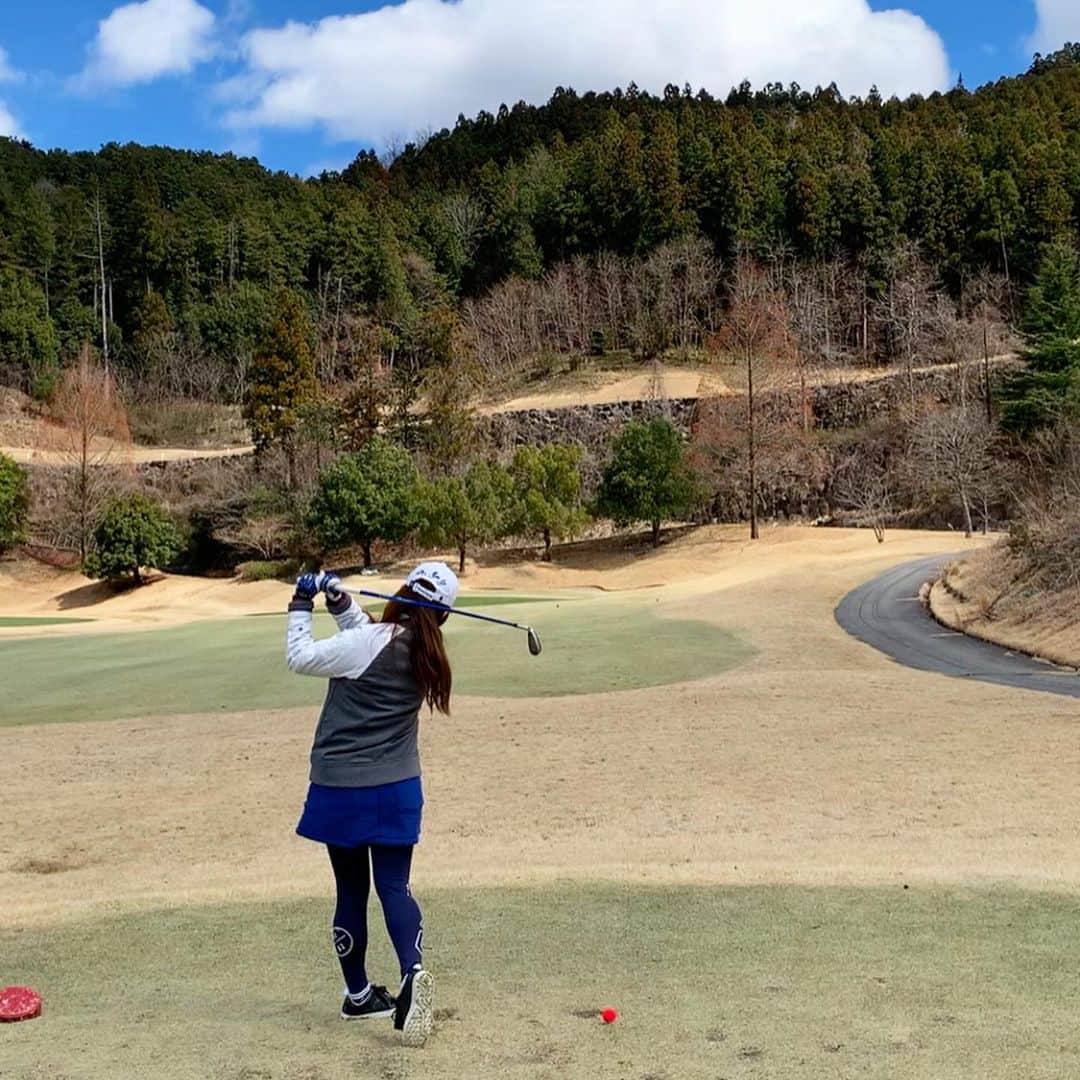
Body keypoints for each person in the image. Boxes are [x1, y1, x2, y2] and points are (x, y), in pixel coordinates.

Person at [285, 561, 458, 1048]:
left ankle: (358, 994)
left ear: (402, 592)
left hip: (342, 788)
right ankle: (412, 970)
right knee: (394, 887)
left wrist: (301, 603)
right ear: (441, 615)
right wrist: (340, 603)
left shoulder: (372, 642)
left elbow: (301, 656)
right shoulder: (425, 653)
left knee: (351, 890)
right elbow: (368, 639)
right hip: (398, 787)